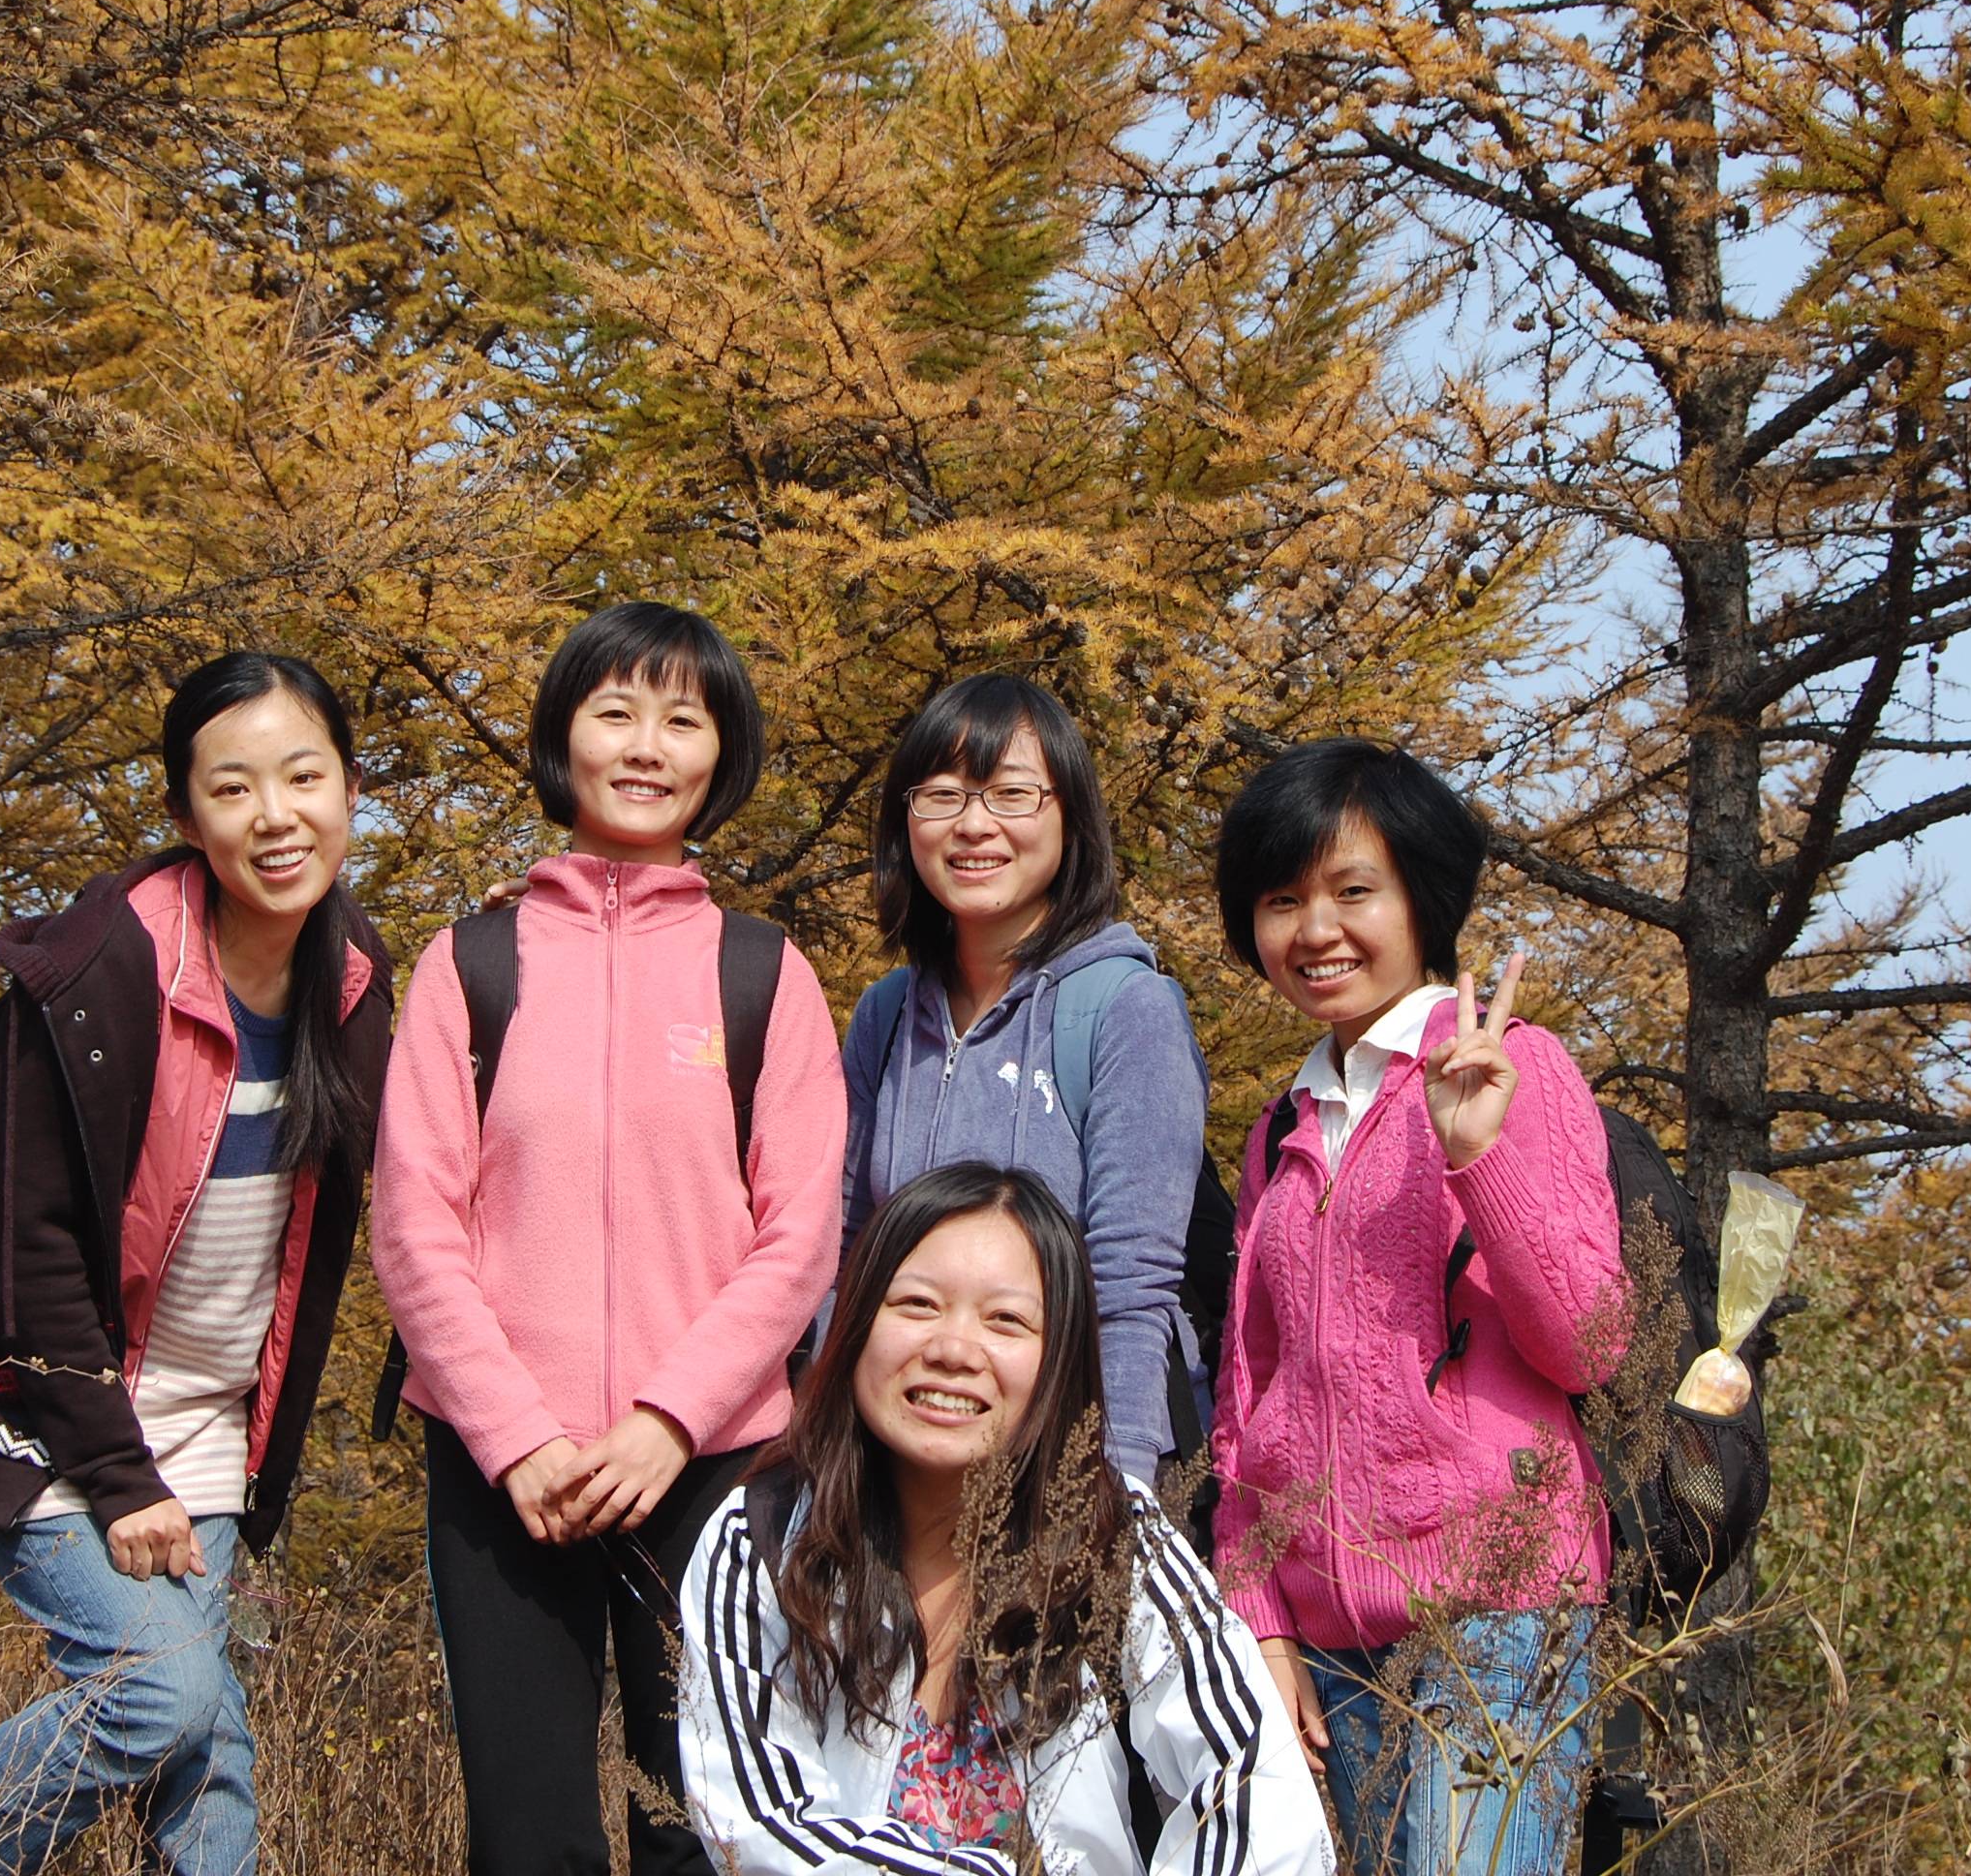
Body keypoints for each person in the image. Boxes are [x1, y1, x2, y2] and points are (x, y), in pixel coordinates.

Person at [0, 653, 395, 1876]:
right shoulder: (97, 973)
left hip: (210, 1423)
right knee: (160, 1693)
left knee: (207, 1753)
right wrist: (119, 1477)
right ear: (184, 813)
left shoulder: (350, 978)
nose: (275, 816)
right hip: (49, 1407)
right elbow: (30, 1246)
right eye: (232, 788)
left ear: (349, 788)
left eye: (304, 777)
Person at [369, 601, 847, 1876]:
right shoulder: (469, 965)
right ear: (561, 737)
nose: (646, 745)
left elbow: (799, 1237)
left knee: (706, 1830)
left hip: (712, 1463)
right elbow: (413, 1226)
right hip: (499, 1469)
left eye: (682, 719)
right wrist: (515, 1435)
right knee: (528, 1839)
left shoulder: (764, 974)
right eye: (615, 711)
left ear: (720, 754)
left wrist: (669, 1419)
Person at [1207, 740, 1625, 1876]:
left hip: (1496, 1614)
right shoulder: (1281, 1125)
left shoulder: (1511, 1066)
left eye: (1353, 890)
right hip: (1327, 1639)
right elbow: (1247, 1397)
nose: (1315, 930)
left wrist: (1477, 1156)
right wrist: (1258, 1612)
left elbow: (1590, 1342)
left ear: (1421, 897)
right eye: (1280, 900)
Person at [679, 1160, 1334, 1876]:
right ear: (857, 1321)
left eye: (1006, 1321)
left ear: (1058, 1361)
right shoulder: (766, 1539)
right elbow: (761, 1826)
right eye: (917, 1304)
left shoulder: (1116, 1537)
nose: (953, 1350)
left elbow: (1256, 1780)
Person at [841, 675, 1212, 1486]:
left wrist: (1118, 1488)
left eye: (1012, 794)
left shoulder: (1127, 1009)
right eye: (942, 795)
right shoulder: (885, 1015)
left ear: (1070, 817)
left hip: (1067, 1464)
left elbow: (1131, 1281)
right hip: (908, 1458)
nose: (975, 824)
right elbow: (848, 1251)